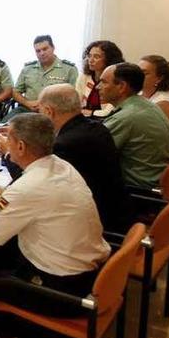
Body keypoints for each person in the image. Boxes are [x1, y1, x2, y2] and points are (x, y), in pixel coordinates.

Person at [0, 113, 110, 338]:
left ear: (20, 147)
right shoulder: (61, 166)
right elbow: (28, 199)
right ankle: (32, 323)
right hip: (89, 270)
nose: (3, 142)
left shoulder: (29, 186)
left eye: (9, 138)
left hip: (62, 288)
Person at [36, 84, 130, 233]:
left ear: (49, 111)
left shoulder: (65, 144)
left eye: (40, 111)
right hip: (115, 207)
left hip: (93, 221)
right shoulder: (96, 127)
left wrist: (11, 154)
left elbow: (37, 186)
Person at [99, 63, 169, 189]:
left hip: (137, 189)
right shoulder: (146, 104)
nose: (98, 87)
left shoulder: (127, 116)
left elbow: (91, 150)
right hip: (155, 178)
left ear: (122, 86)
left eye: (103, 82)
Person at [9, 35, 78, 118]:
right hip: (29, 110)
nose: (42, 53)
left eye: (45, 49)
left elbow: (74, 95)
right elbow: (15, 92)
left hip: (56, 112)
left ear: (53, 48)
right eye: (38, 51)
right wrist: (28, 103)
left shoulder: (69, 69)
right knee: (5, 126)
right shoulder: (28, 69)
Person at [139, 55, 169, 144]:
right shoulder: (139, 95)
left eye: (144, 73)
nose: (138, 76)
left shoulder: (164, 103)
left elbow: (156, 138)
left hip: (162, 153)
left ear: (159, 78)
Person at [75, 40, 124, 118]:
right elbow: (76, 104)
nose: (90, 60)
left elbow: (109, 112)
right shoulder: (84, 76)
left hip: (107, 120)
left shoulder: (117, 79)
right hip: (84, 119)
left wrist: (90, 112)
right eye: (89, 56)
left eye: (96, 57)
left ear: (109, 59)